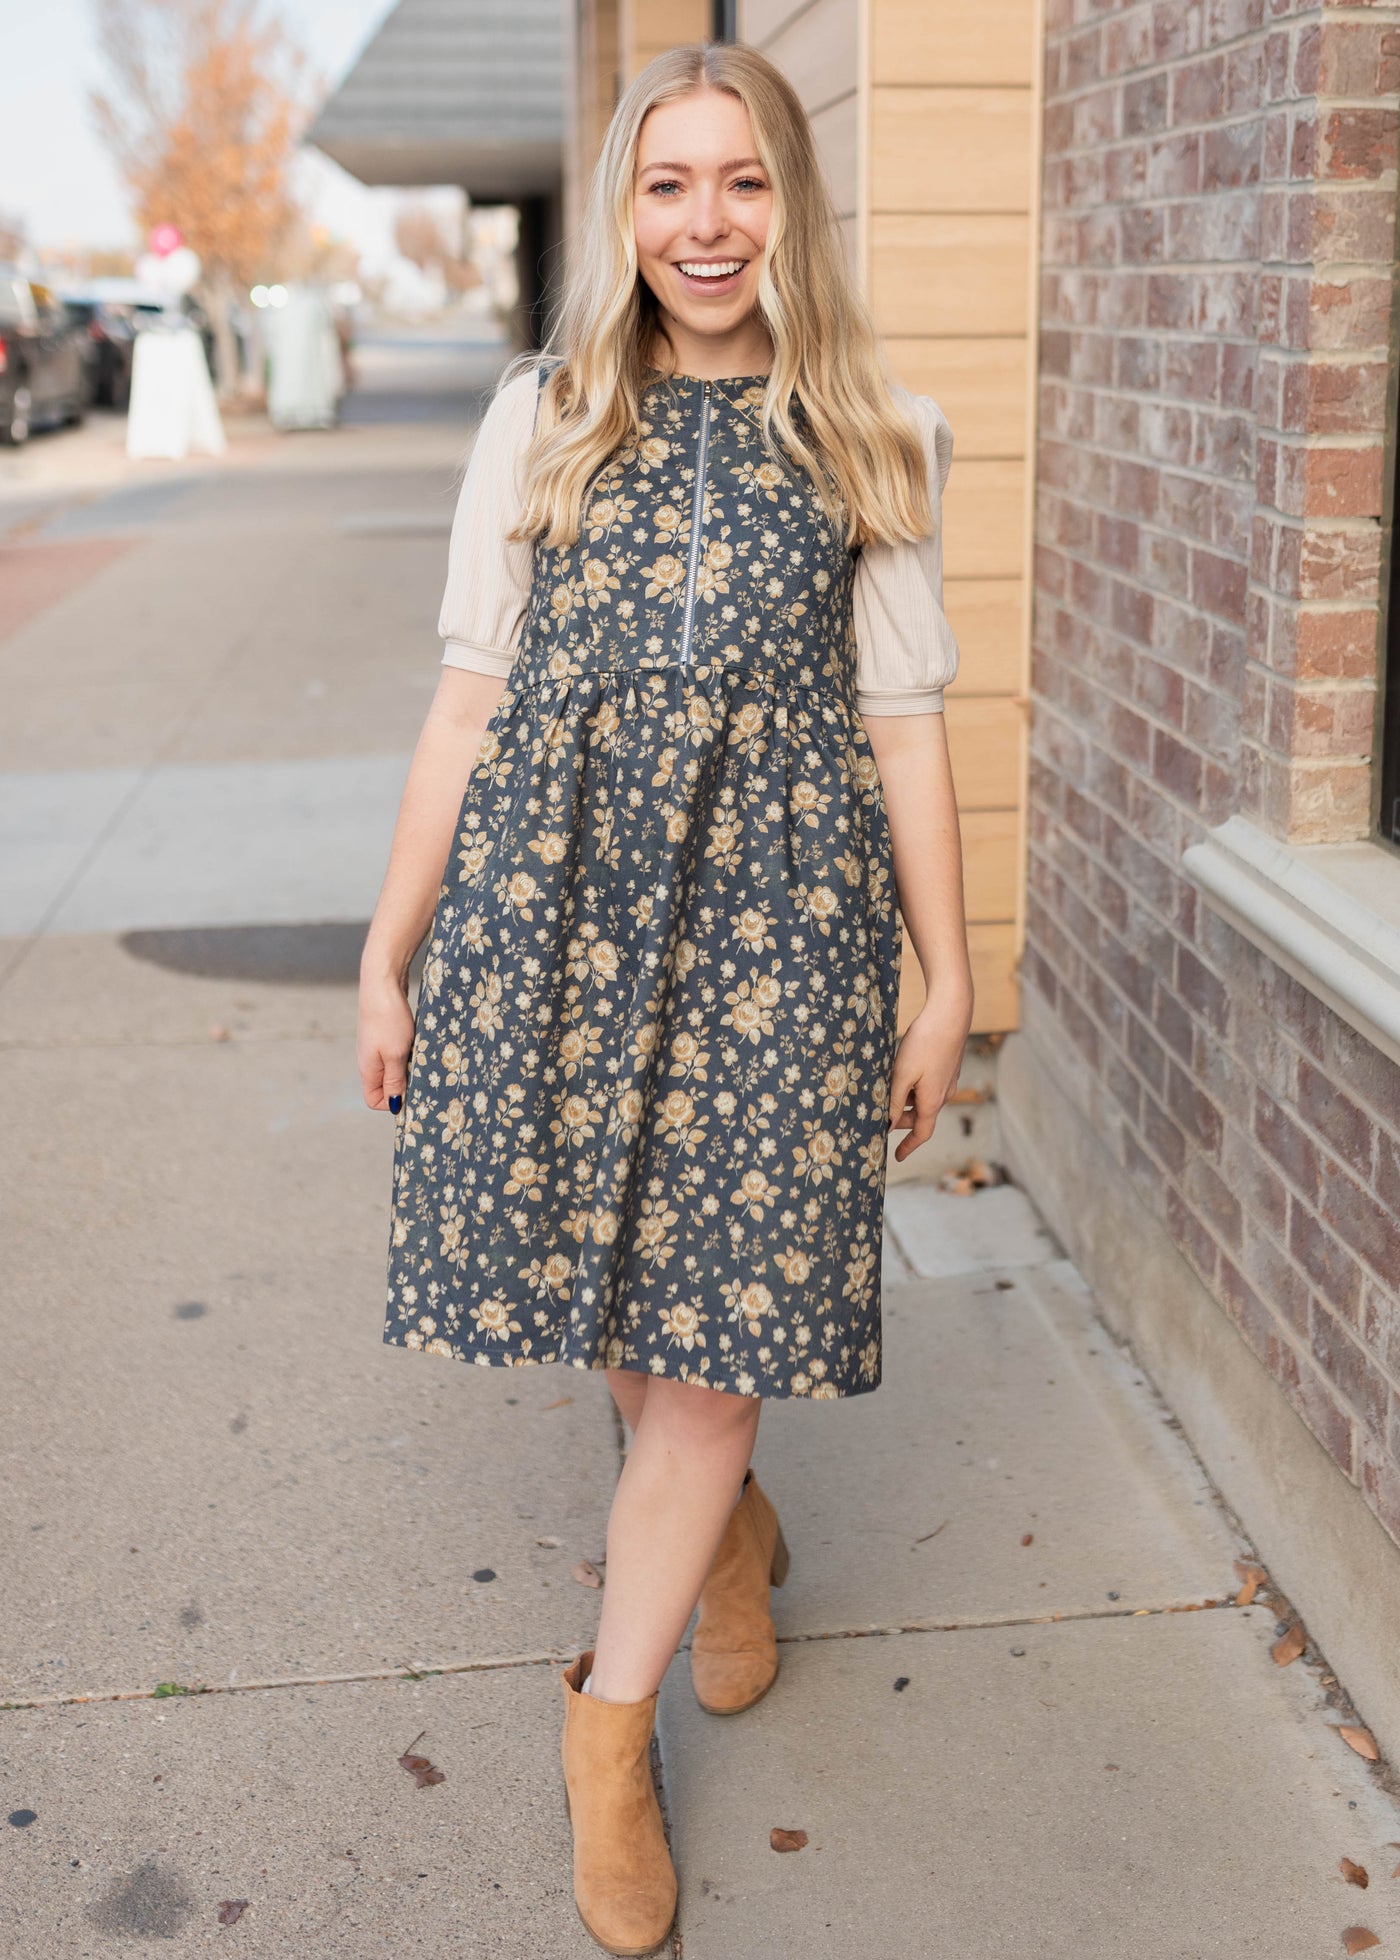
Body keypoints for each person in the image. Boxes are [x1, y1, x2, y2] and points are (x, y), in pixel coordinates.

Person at [356, 39, 973, 1957]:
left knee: (712, 1359)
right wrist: (391, 948)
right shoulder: (540, 418)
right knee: (625, 1305)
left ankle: (600, 1741)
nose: (707, 226)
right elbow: (470, 702)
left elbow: (905, 721)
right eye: (668, 186)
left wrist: (949, 979)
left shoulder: (874, 423)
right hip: (561, 928)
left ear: (796, 203)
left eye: (746, 184)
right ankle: (733, 1543)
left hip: (781, 945)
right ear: (624, 210)